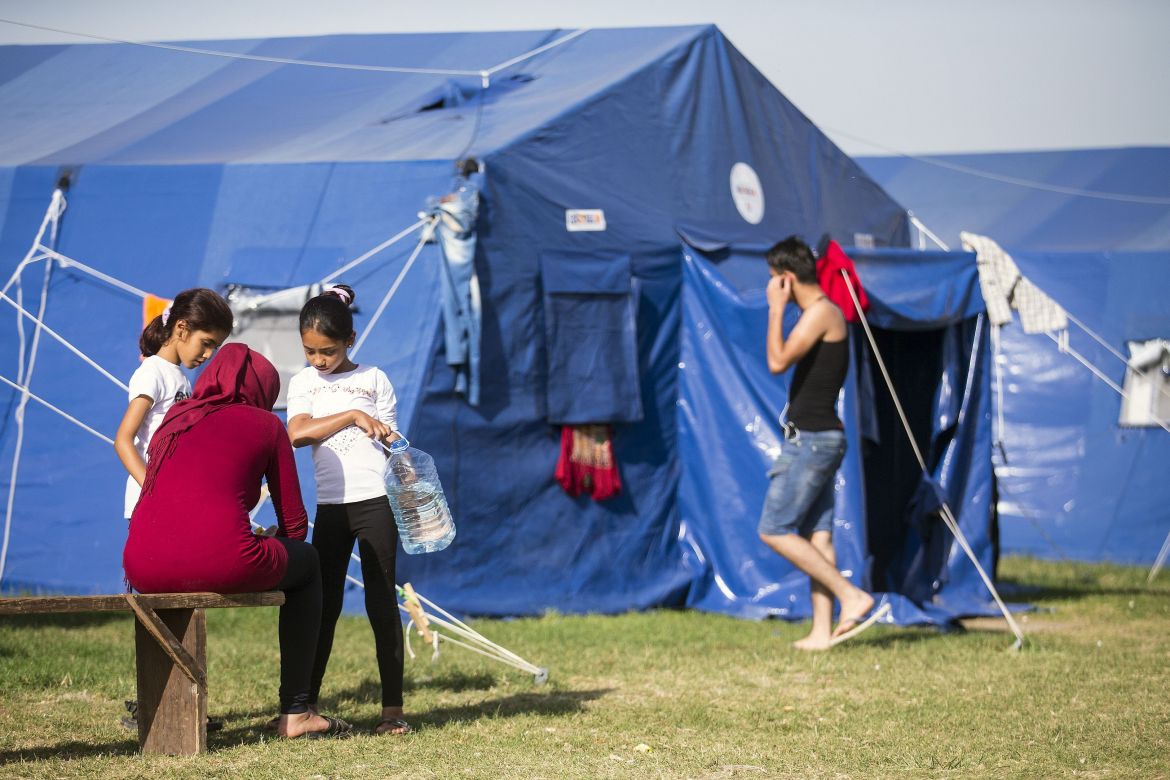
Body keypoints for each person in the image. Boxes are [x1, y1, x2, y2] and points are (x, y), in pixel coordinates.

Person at [123, 344, 350, 739]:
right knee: (310, 563)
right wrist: (273, 543)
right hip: (223, 557)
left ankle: (165, 706)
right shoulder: (265, 424)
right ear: (263, 390)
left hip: (143, 563)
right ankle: (297, 712)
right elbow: (294, 524)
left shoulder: (175, 418)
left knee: (186, 567)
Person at [285, 284, 410, 736]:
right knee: (324, 606)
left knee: (382, 603)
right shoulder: (302, 383)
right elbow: (297, 434)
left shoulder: (374, 378)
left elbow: (391, 439)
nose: (318, 360)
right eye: (310, 351)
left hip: (376, 503)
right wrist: (353, 415)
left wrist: (386, 435)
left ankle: (392, 711)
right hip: (331, 508)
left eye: (328, 351)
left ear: (350, 340)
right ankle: (304, 707)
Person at [113, 286, 233, 731]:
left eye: (215, 347)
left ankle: (181, 702)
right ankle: (151, 705)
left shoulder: (181, 379)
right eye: (206, 342)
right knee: (158, 608)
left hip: (175, 509)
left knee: (181, 606)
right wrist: (154, 491)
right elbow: (124, 440)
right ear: (181, 329)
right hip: (150, 510)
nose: (208, 354)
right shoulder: (153, 375)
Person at [758, 236, 881, 651]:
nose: (772, 288)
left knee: (774, 529)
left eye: (775, 280)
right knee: (819, 537)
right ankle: (821, 632)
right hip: (819, 438)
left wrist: (775, 309)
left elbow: (777, 361)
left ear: (787, 279)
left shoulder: (821, 312)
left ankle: (852, 596)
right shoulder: (822, 313)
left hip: (812, 440)